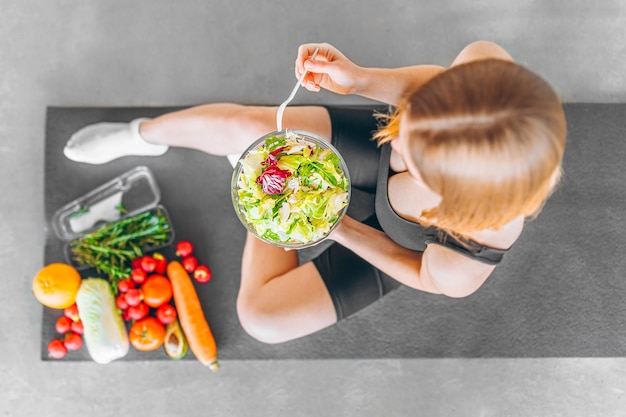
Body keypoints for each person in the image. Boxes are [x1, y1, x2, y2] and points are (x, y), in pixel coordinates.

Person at [63, 41, 567, 344]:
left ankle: (261, 187)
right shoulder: (485, 66)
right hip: (359, 161)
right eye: (405, 129)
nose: (397, 145)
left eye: (409, 157)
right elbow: (428, 87)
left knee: (264, 319)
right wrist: (359, 82)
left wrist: (334, 225)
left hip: (391, 242)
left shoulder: (468, 258)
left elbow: (419, 271)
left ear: (458, 198)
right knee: (243, 126)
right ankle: (141, 133)